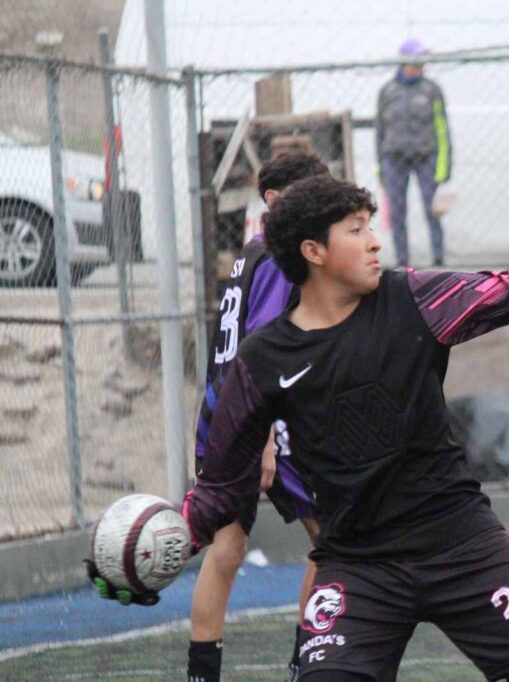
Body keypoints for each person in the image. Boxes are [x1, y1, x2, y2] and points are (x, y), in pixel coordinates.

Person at [102, 174, 509, 680]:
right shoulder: (263, 362)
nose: (374, 240)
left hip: (465, 548)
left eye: (372, 223)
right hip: (358, 568)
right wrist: (155, 551)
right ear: (312, 250)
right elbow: (220, 491)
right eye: (356, 229)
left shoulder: (419, 301)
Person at [88, 152, 330, 682]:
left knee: (229, 545)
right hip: (260, 421)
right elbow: (264, 350)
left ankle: (203, 673)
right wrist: (265, 438)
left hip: (220, 412)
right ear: (274, 200)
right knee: (332, 541)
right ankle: (309, 663)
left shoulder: (248, 255)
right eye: (311, 192)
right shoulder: (276, 257)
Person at [375, 37, 452, 267]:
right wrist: (380, 167)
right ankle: (402, 261)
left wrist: (443, 167)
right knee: (398, 211)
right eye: (415, 58)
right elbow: (380, 131)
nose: (420, 64)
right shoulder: (388, 91)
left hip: (426, 157)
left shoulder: (431, 90)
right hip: (394, 159)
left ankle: (438, 258)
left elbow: (442, 130)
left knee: (433, 209)